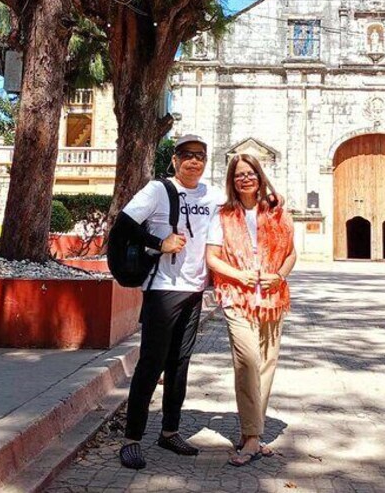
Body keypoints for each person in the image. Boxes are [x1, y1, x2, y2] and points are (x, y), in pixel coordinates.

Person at [116, 134, 224, 470]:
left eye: (200, 156)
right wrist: (158, 242)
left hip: (194, 290)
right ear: (175, 160)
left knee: (180, 363)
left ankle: (170, 431)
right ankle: (132, 439)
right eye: (187, 155)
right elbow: (122, 227)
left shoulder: (212, 195)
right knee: (152, 362)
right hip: (162, 287)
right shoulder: (157, 190)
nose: (194, 161)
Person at [205, 154, 296, 467]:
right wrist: (238, 275)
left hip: (272, 296)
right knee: (248, 361)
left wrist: (280, 276)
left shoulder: (277, 211)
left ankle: (250, 435)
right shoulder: (223, 216)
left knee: (267, 364)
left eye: (250, 173)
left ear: (260, 176)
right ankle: (255, 437)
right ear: (232, 181)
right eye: (238, 175)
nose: (245, 179)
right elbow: (213, 258)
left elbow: (291, 253)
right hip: (236, 295)